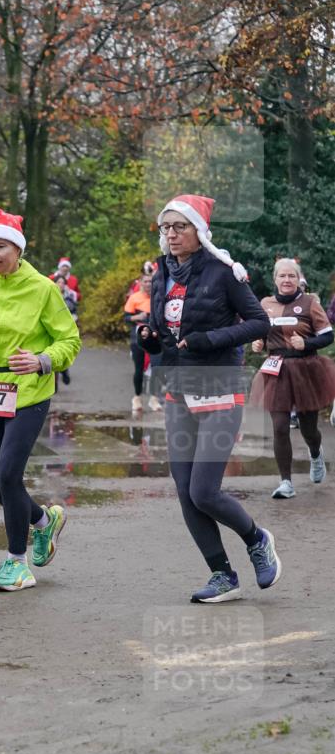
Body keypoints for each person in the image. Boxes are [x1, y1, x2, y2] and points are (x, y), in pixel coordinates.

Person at [138, 193, 280, 603]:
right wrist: (147, 338)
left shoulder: (223, 273)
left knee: (204, 491)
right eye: (166, 227)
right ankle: (223, 575)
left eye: (179, 226)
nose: (171, 234)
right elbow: (163, 327)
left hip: (220, 384)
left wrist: (208, 339)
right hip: (178, 389)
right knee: (185, 492)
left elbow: (259, 323)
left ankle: (257, 539)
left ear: (199, 232)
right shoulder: (163, 273)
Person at [0, 209, 81, 592]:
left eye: (0, 246)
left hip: (30, 393)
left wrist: (42, 361)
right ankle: (43, 521)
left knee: (9, 474)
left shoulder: (42, 288)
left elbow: (69, 340)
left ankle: (16, 563)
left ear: (17, 249)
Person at [249, 258, 335, 498]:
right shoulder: (265, 304)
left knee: (309, 429)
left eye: (292, 276)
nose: (287, 280)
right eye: (282, 276)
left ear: (299, 280)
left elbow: (328, 336)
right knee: (279, 427)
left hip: (306, 368)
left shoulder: (309, 303)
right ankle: (285, 482)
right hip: (276, 368)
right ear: (274, 279)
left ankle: (316, 455)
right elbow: (259, 331)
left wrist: (305, 343)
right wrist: (258, 343)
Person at [124, 271, 162, 413]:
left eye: (150, 281)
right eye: (145, 281)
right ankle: (137, 398)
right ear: (140, 283)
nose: (148, 284)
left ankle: (154, 399)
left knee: (157, 367)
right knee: (139, 369)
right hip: (138, 336)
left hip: (155, 336)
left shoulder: (159, 296)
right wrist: (137, 317)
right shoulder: (134, 298)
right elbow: (126, 318)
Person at [54, 274, 79, 385]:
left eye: (63, 283)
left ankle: (64, 371)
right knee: (52, 351)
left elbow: (74, 310)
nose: (61, 285)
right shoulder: (49, 294)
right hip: (52, 327)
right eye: (58, 282)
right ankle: (54, 383)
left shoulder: (69, 296)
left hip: (65, 328)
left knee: (63, 350)